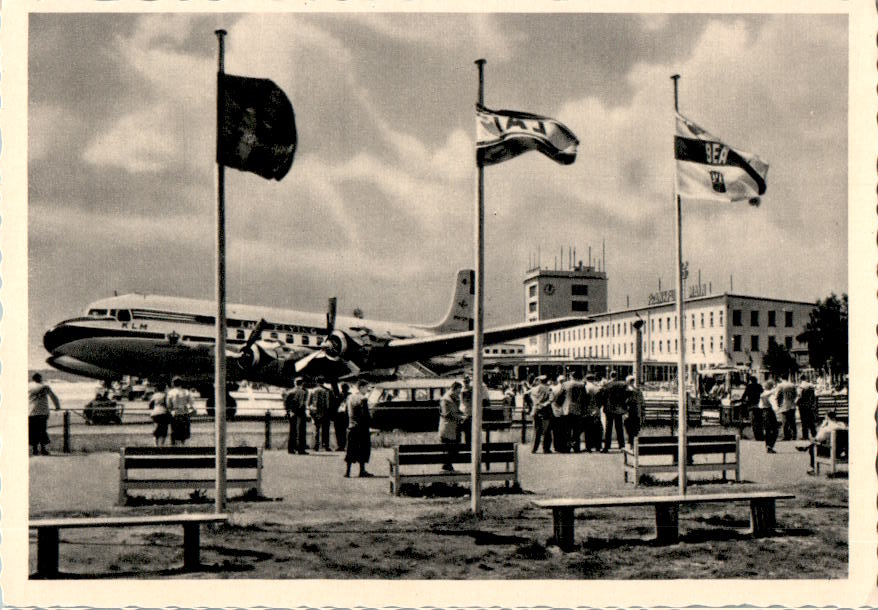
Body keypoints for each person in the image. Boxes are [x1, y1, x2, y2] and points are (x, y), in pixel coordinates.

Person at [344, 379, 373, 477]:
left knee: (351, 449)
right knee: (363, 449)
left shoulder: (350, 397)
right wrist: (370, 424)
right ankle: (362, 471)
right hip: (362, 428)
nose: (367, 390)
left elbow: (346, 412)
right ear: (361, 387)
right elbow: (365, 415)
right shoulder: (363, 399)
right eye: (366, 387)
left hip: (351, 426)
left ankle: (348, 471)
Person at [28, 373, 60, 455]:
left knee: (33, 431)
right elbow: (53, 397)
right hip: (42, 412)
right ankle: (43, 449)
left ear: (33, 379)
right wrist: (57, 406)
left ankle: (34, 449)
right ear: (40, 378)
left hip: (31, 412)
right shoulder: (45, 387)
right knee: (42, 431)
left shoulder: (28, 387)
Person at [554, 371, 586, 452]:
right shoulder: (582, 385)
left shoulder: (565, 384)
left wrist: (558, 405)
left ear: (571, 376)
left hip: (567, 409)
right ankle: (576, 447)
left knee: (567, 430)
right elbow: (585, 398)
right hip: (578, 409)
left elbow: (560, 396)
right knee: (576, 430)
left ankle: (567, 447)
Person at [599, 372, 628, 452]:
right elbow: (626, 396)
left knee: (608, 428)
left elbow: (603, 397)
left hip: (609, 409)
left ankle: (607, 446)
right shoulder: (622, 385)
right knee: (619, 428)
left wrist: (602, 405)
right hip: (619, 409)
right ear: (617, 376)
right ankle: (621, 445)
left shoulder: (606, 385)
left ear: (610, 376)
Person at [438, 380, 463, 471]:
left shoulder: (455, 399)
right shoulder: (445, 400)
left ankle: (448, 466)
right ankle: (447, 467)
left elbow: (457, 411)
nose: (459, 394)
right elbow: (447, 414)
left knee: (454, 449)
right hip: (447, 429)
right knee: (448, 449)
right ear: (453, 389)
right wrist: (461, 417)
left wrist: (462, 414)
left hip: (454, 429)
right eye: (458, 391)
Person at [166, 377, 195, 445]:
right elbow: (191, 403)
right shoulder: (186, 392)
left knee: (174, 430)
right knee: (184, 431)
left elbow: (168, 405)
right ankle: (182, 445)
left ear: (173, 383)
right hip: (184, 412)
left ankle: (175, 445)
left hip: (175, 413)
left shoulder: (170, 392)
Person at [283, 378, 309, 454]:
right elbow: (302, 404)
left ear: (295, 383)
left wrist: (288, 411)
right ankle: (301, 449)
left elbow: (286, 403)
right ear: (302, 383)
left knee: (292, 430)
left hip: (292, 412)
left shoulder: (289, 392)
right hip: (300, 412)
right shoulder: (303, 392)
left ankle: (291, 448)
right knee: (301, 431)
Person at [528, 375, 553, 453]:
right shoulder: (549, 389)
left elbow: (526, 395)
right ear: (546, 381)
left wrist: (534, 404)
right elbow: (551, 399)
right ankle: (546, 448)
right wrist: (544, 404)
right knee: (547, 431)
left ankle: (534, 448)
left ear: (539, 381)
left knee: (536, 429)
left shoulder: (534, 389)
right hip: (545, 411)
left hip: (536, 410)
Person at [308, 376, 333, 451]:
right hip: (325, 412)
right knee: (326, 430)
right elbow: (328, 403)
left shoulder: (312, 391)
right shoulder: (327, 391)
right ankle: (326, 446)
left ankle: (316, 445)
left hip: (315, 412)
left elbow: (309, 402)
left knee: (316, 429)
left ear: (316, 382)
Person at [583, 373, 603, 452]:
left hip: (588, 410)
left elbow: (584, 400)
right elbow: (600, 400)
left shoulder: (585, 387)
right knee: (597, 429)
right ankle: (598, 445)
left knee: (588, 429)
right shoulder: (597, 387)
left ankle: (589, 447)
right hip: (596, 410)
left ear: (586, 379)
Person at [741, 375, 764, 441]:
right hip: (759, 405)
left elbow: (744, 395)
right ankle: (761, 436)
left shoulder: (749, 386)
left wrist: (742, 400)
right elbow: (762, 393)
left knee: (754, 422)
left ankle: (756, 436)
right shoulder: (759, 386)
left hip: (751, 406)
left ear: (750, 381)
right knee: (760, 421)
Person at [549, 375, 568, 452]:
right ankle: (563, 446)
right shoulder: (567, 389)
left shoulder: (553, 388)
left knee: (556, 431)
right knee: (564, 431)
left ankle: (556, 447)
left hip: (555, 411)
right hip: (565, 411)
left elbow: (551, 400)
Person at [760, 379, 780, 453]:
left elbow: (760, 405)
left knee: (767, 430)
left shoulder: (762, 395)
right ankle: (770, 445)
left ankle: (767, 444)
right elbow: (774, 406)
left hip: (764, 412)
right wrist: (777, 413)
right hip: (770, 412)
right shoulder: (771, 395)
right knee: (775, 430)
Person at [624, 375, 644, 448]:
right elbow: (642, 402)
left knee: (629, 428)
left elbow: (624, 401)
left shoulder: (626, 390)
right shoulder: (638, 390)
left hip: (629, 412)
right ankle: (633, 442)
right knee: (635, 428)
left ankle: (631, 442)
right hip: (636, 411)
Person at [148, 382, 170, 446]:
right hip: (163, 412)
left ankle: (155, 444)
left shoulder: (154, 395)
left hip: (155, 413)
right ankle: (162, 445)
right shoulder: (165, 395)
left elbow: (150, 405)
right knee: (164, 429)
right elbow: (168, 405)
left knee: (156, 428)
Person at [334, 383, 351, 451]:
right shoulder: (350, 395)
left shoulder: (338, 395)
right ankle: (344, 445)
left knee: (339, 431)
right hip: (346, 415)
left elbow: (335, 405)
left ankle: (340, 445)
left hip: (339, 415)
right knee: (345, 431)